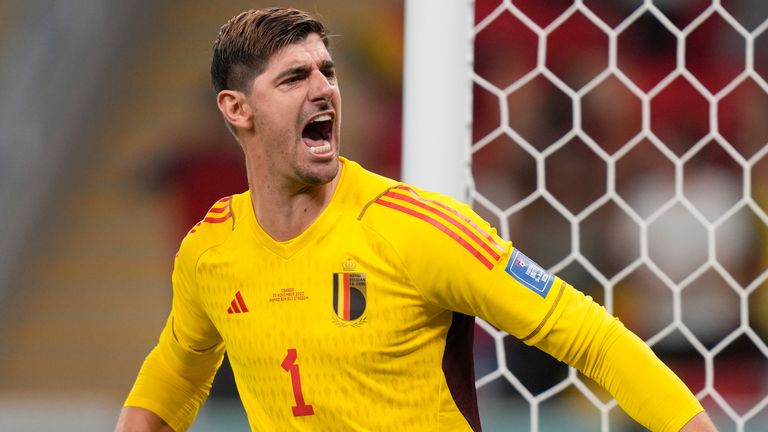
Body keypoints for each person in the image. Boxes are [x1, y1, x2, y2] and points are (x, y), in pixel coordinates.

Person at [115, 7, 718, 432]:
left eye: (328, 71)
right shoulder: (212, 251)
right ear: (236, 108)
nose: (323, 89)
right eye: (295, 77)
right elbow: (177, 368)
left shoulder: (412, 228)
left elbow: (589, 334)